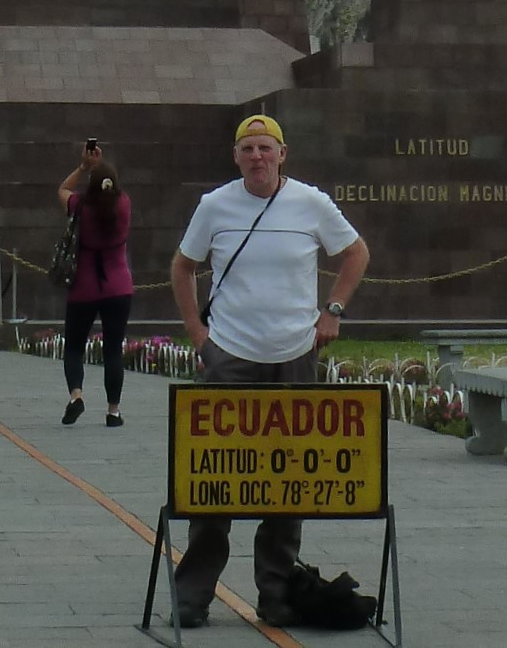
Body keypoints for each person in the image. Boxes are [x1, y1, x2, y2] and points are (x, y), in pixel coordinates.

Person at [169, 115, 370, 630]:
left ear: (283, 154)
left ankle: (276, 590)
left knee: (289, 478)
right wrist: (199, 336)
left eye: (266, 148)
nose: (257, 157)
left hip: (295, 355)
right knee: (213, 478)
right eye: (247, 149)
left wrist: (334, 311)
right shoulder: (215, 206)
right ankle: (192, 593)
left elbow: (355, 253)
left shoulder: (311, 203)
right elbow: (183, 267)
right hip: (230, 356)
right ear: (236, 157)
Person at [55, 141, 133, 427]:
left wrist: (84, 166)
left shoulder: (79, 207)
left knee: (74, 347)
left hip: (83, 288)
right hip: (118, 287)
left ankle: (76, 395)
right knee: (113, 349)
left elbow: (62, 190)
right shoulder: (124, 205)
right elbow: (109, 190)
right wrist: (100, 168)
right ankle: (113, 412)